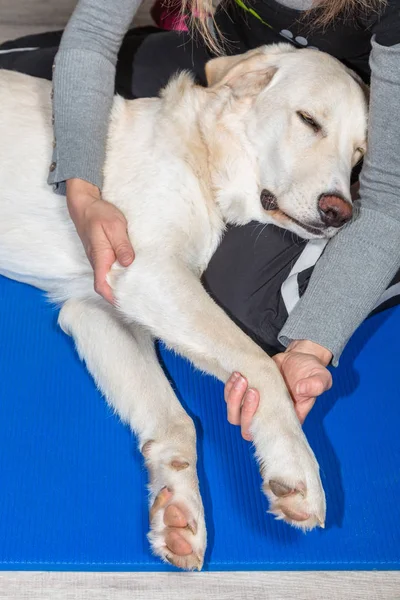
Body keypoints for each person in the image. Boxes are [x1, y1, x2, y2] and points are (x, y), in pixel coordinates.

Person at [1, 0, 399, 440]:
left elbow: (386, 200)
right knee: (51, 79)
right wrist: (82, 191)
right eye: (308, 122)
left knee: (252, 315)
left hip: (379, 95)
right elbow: (94, 31)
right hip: (246, 60)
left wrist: (313, 346)